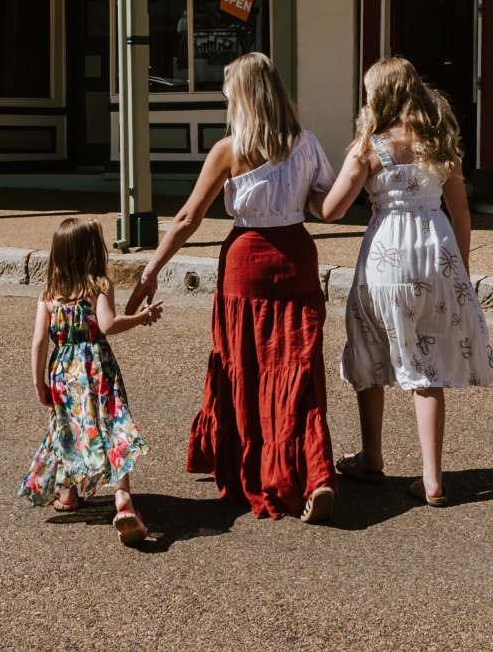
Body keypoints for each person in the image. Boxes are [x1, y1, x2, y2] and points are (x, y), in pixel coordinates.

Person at [128, 53, 338, 522]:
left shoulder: (229, 150)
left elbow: (187, 218)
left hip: (246, 260)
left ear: (241, 99)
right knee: (296, 366)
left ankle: (253, 462)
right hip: (297, 258)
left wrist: (151, 271)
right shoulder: (307, 143)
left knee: (244, 363)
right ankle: (314, 473)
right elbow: (326, 205)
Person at [322, 57, 493, 506]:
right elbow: (461, 211)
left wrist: (309, 193)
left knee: (367, 343)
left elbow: (333, 210)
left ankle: (372, 456)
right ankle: (432, 478)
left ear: (378, 96)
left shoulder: (369, 147)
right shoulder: (440, 143)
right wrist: (458, 269)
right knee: (428, 363)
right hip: (436, 254)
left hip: (388, 257)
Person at [22, 216, 163, 544]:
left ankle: (68, 494)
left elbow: (39, 341)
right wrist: (141, 317)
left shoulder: (49, 293)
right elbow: (109, 324)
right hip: (97, 367)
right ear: (91, 252)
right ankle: (123, 498)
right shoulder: (98, 285)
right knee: (112, 426)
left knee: (69, 428)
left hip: (63, 373)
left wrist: (39, 382)